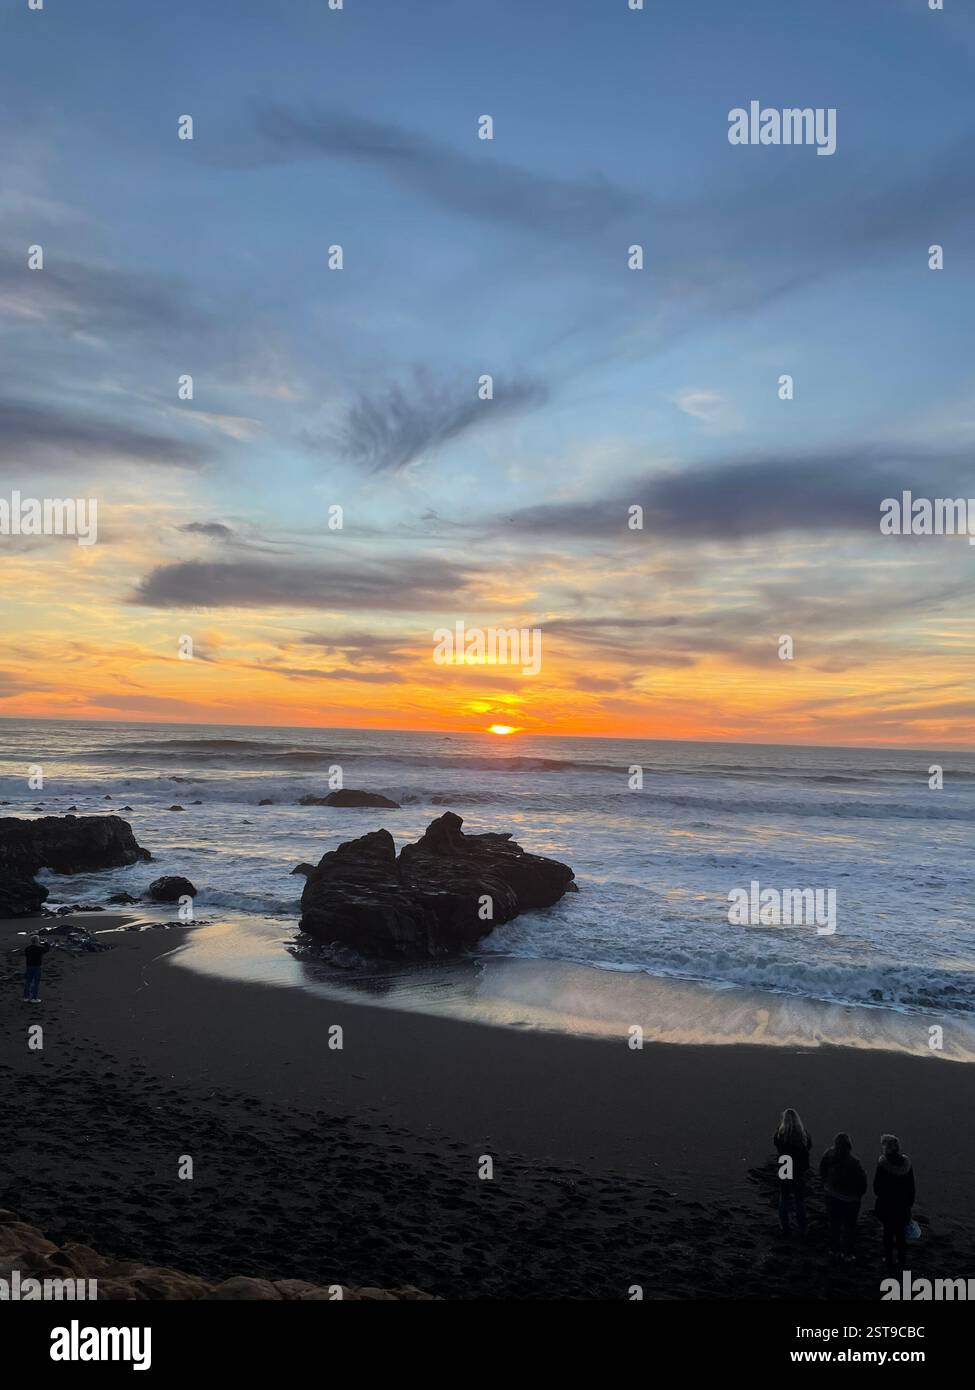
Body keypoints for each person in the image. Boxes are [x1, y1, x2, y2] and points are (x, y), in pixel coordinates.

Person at [819, 1132, 867, 1263]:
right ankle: (847, 1254)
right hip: (849, 1200)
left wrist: (826, 1185)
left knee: (834, 1224)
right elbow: (862, 1182)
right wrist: (857, 1196)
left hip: (831, 1195)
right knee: (849, 1227)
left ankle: (834, 1251)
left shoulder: (828, 1155)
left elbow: (822, 1171)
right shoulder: (854, 1163)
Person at [873, 1134, 916, 1273]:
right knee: (901, 1235)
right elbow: (911, 1187)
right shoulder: (906, 1164)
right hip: (902, 1207)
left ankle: (889, 1259)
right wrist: (909, 1203)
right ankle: (902, 1261)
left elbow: (877, 1188)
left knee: (888, 1233)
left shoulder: (883, 1164)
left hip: (887, 1207)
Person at [773, 1108, 812, 1236]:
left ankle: (784, 1225)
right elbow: (808, 1147)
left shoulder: (780, 1133)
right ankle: (802, 1227)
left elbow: (776, 1143)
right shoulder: (803, 1135)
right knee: (799, 1200)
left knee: (784, 1198)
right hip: (798, 1169)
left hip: (785, 1167)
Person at [23, 934, 50, 1003]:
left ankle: (26, 997)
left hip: (29, 966)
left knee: (27, 982)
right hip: (37, 967)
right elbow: (46, 949)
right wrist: (46, 942)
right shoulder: (39, 949)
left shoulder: (27, 948)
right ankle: (34, 998)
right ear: (37, 941)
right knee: (36, 983)